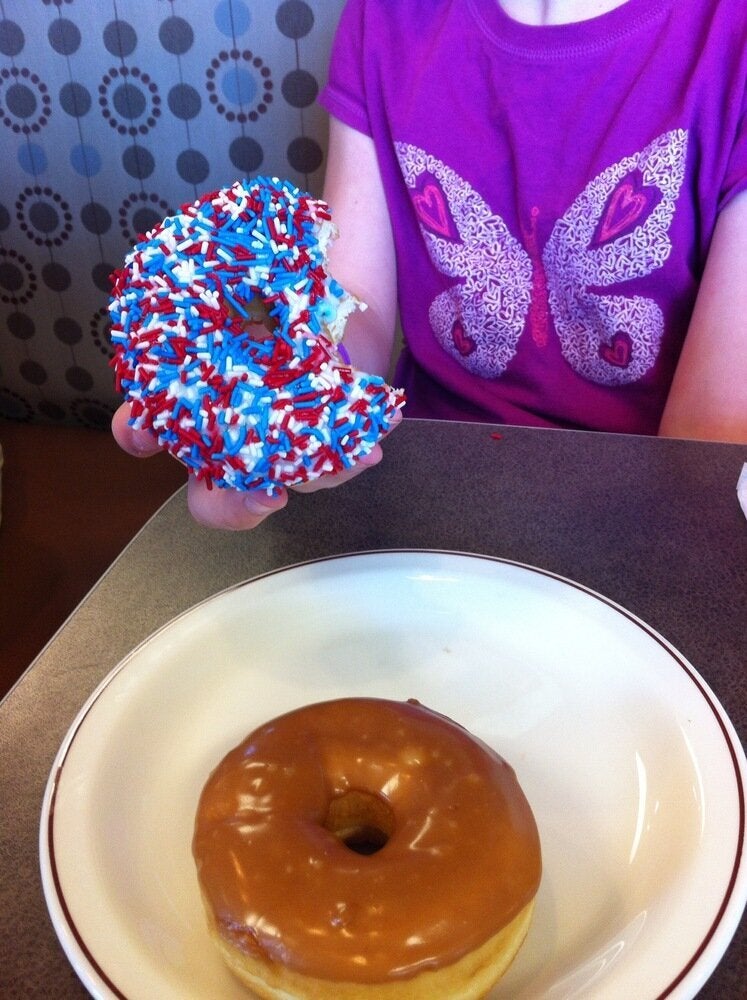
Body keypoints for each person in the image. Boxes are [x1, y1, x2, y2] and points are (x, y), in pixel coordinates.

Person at [113, 0, 747, 530]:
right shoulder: (385, 16)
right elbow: (351, 303)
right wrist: (284, 397)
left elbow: (705, 452)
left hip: (636, 519)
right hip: (419, 487)